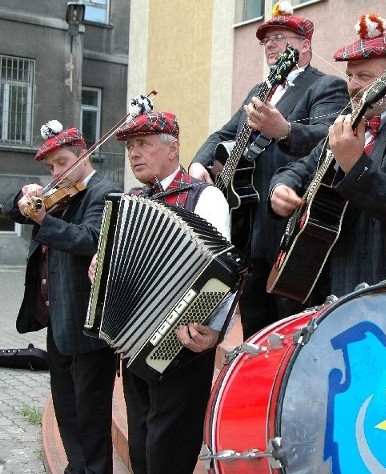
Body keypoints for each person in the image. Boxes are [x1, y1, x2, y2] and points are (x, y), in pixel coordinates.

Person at [189, 0, 350, 339]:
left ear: (305, 45)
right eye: (266, 40)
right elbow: (223, 134)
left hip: (290, 226)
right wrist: (199, 163)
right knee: (254, 328)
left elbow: (329, 138)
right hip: (249, 229)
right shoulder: (260, 90)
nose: (271, 45)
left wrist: (287, 131)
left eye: (280, 37)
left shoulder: (325, 86)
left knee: (291, 330)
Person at [269, 13, 386, 297]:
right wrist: (281, 187)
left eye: (365, 76)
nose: (353, 86)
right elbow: (301, 168)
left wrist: (354, 164)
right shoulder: (345, 125)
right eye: (350, 76)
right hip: (325, 284)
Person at [111, 110, 231, 474]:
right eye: (131, 146)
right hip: (132, 342)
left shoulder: (205, 197)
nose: (134, 153)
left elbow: (223, 274)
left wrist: (215, 332)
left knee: (169, 452)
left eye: (143, 144)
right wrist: (102, 266)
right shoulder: (131, 201)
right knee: (142, 449)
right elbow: (117, 265)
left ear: (173, 147)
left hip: (182, 344)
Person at [2, 121, 121, 474]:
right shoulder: (55, 195)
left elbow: (89, 239)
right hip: (58, 320)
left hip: (89, 325)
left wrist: (43, 220)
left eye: (64, 161)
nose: (57, 172)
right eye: (51, 166)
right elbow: (9, 209)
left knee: (90, 412)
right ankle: (76, 467)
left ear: (84, 155)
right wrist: (24, 195)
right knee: (66, 407)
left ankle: (96, 469)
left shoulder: (105, 192)